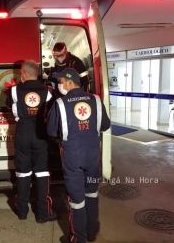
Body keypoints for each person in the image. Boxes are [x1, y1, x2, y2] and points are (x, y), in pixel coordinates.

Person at [47, 68, 111, 243]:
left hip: (72, 155)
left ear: (69, 82)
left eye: (60, 82)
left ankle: (78, 238)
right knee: (91, 193)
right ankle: (91, 233)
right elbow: (105, 125)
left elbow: (51, 131)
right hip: (92, 154)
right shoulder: (96, 100)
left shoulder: (60, 103)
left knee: (76, 199)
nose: (59, 86)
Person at [11, 60, 58, 223]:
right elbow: (53, 111)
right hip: (40, 134)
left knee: (22, 173)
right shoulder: (48, 90)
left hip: (22, 133)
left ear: (24, 73)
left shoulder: (14, 90)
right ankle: (43, 214)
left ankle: (22, 211)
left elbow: (9, 107)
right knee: (42, 173)